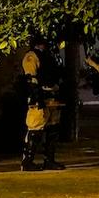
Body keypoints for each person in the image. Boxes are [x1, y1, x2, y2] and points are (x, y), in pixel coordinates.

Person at [21, 34, 65, 171]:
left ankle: (49, 160)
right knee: (35, 129)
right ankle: (27, 162)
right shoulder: (31, 56)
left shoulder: (50, 56)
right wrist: (36, 96)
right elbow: (31, 78)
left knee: (52, 129)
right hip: (40, 97)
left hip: (52, 96)